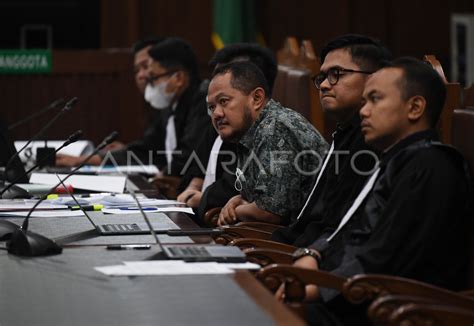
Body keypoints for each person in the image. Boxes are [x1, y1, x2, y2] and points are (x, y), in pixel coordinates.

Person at [281, 57, 471, 326]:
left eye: (375, 100)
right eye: (363, 103)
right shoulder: (394, 159)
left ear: (415, 107)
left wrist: (315, 290)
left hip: (384, 310)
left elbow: (384, 259)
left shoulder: (430, 167)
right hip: (346, 292)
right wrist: (313, 255)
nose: (363, 112)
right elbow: (346, 229)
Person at [272, 34, 392, 247]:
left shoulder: (372, 143)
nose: (325, 85)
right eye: (323, 77)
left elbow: (341, 228)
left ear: (375, 79)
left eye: (336, 74)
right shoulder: (345, 132)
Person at [207, 61, 327, 226]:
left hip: (312, 241)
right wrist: (238, 199)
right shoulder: (250, 132)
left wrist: (235, 210)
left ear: (256, 98)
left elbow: (270, 213)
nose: (217, 114)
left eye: (224, 101)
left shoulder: (276, 127)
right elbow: (258, 199)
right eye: (211, 107)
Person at [177, 43, 278, 220]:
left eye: (224, 100)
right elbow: (195, 164)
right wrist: (194, 186)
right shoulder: (224, 120)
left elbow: (268, 209)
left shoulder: (269, 130)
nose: (216, 112)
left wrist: (206, 200)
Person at [56, 36, 165, 166]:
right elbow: (151, 150)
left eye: (146, 66)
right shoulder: (159, 106)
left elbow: (150, 155)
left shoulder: (183, 106)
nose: (141, 75)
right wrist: (126, 150)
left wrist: (81, 160)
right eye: (136, 70)